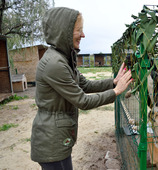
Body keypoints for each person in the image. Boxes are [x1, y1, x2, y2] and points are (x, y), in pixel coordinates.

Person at [30, 7, 132, 170]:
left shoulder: (64, 58)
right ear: (64, 31)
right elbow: (83, 101)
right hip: (51, 141)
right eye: (79, 30)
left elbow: (85, 85)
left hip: (57, 138)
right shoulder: (54, 64)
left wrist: (113, 82)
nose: (83, 35)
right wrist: (116, 92)